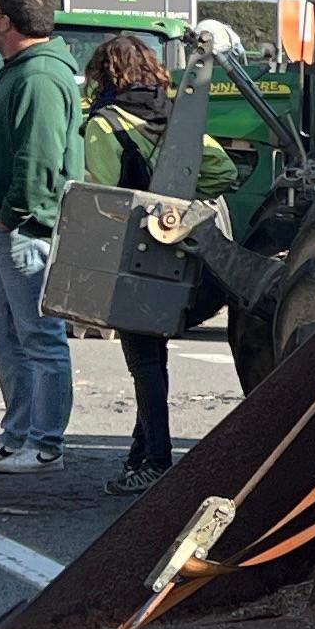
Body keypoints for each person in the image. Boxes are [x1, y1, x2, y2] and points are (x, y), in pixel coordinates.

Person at [77, 32, 238, 491]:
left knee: (145, 363)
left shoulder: (105, 124)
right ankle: (138, 458)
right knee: (152, 358)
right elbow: (224, 171)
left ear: (104, 76)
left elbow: (100, 195)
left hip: (134, 258)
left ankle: (157, 462)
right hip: (186, 257)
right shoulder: (177, 119)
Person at [0, 0, 80, 475]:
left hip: (22, 231)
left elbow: (41, 159)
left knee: (40, 338)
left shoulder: (40, 78)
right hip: (2, 230)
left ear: (6, 22)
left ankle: (45, 445)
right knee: (4, 334)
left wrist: (12, 218)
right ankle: (17, 437)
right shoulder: (22, 74)